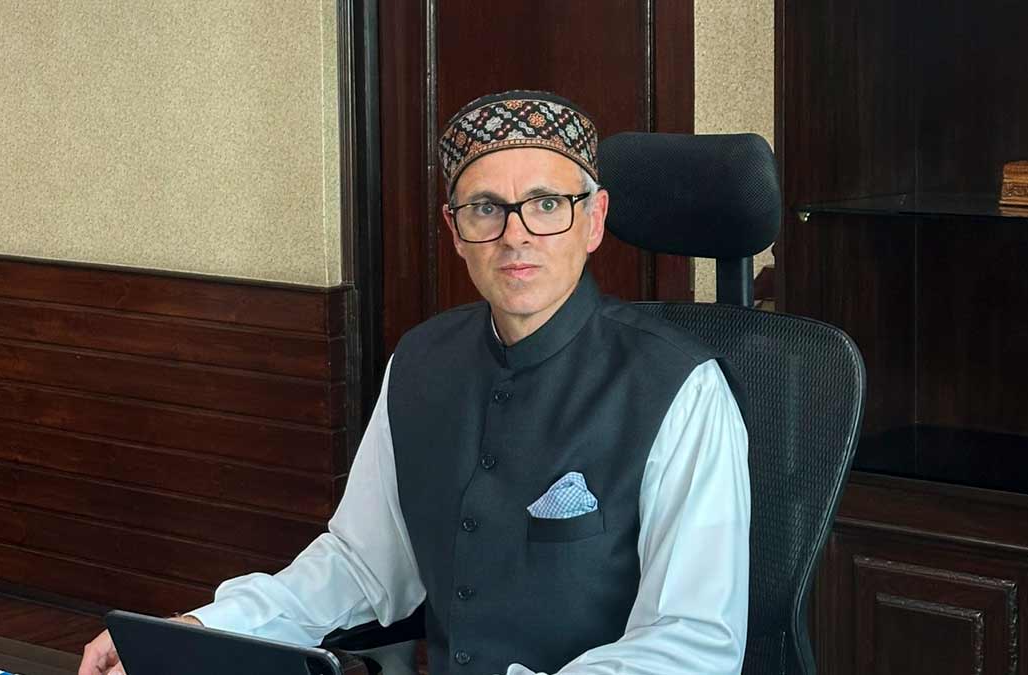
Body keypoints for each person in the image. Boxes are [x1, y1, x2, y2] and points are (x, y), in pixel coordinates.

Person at [79, 90, 750, 675]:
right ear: (454, 231)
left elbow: (692, 641)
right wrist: (198, 630)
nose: (516, 236)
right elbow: (359, 565)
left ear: (594, 219)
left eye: (547, 204)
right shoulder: (421, 361)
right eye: (486, 208)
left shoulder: (683, 389)